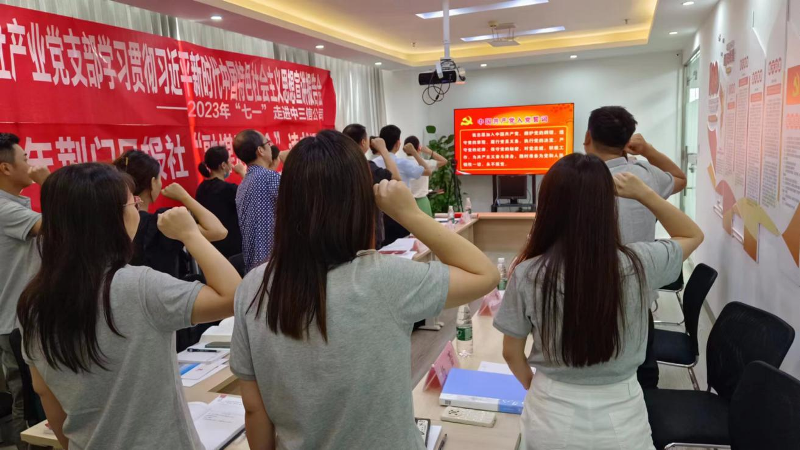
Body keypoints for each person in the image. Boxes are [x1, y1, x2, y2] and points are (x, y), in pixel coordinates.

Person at [230, 130, 499, 450]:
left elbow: (255, 409)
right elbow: (485, 274)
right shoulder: (386, 279)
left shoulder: (252, 287)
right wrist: (410, 213)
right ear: (361, 201)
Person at [17, 163, 242, 449]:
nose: (137, 207)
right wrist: (190, 234)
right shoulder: (139, 286)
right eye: (132, 203)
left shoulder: (33, 303)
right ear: (111, 218)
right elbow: (233, 297)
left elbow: (45, 394)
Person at [494, 154, 703, 450]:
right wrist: (644, 193)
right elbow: (692, 234)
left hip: (550, 412)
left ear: (548, 205)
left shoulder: (528, 273)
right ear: (607, 204)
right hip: (622, 413)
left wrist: (536, 386)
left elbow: (511, 352)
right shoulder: (641, 262)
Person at [584, 106, 688, 389]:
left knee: (590, 369)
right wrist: (647, 150)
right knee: (642, 370)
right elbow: (680, 178)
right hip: (640, 292)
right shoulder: (644, 175)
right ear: (627, 140)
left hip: (587, 295)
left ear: (588, 137)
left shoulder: (577, 179)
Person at [0, 133, 49, 450]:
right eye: (26, 159)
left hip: (28, 318)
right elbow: (62, 225)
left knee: (39, 397)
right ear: (5, 168)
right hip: (14, 324)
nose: (31, 165)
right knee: (28, 402)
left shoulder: (14, 204)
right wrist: (49, 184)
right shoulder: (3, 208)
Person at [113, 149, 227, 279]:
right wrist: (184, 197)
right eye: (159, 178)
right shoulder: (163, 223)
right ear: (152, 183)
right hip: (165, 290)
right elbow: (218, 231)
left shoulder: (110, 222)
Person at [343, 123, 401, 248]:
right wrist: (383, 150)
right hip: (368, 230)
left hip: (343, 231)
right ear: (364, 142)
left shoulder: (335, 166)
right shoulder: (366, 167)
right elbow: (395, 179)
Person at [372, 125, 432, 246]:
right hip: (400, 213)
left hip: (379, 215)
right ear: (398, 143)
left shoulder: (372, 163)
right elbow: (428, 171)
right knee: (404, 246)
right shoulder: (402, 163)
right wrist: (414, 152)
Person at [233, 130, 281, 273]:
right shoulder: (270, 177)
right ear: (260, 150)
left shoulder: (242, 185)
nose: (270, 147)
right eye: (268, 143)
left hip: (253, 267)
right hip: (274, 264)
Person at [196, 146, 246, 258]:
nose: (231, 165)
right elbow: (253, 197)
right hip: (233, 249)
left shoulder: (201, 189)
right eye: (229, 161)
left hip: (210, 249)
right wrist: (243, 172)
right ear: (223, 165)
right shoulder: (229, 189)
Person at [402, 135, 448, 217]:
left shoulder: (400, 163)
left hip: (405, 203)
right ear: (419, 148)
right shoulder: (425, 163)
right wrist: (430, 152)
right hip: (422, 202)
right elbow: (444, 161)